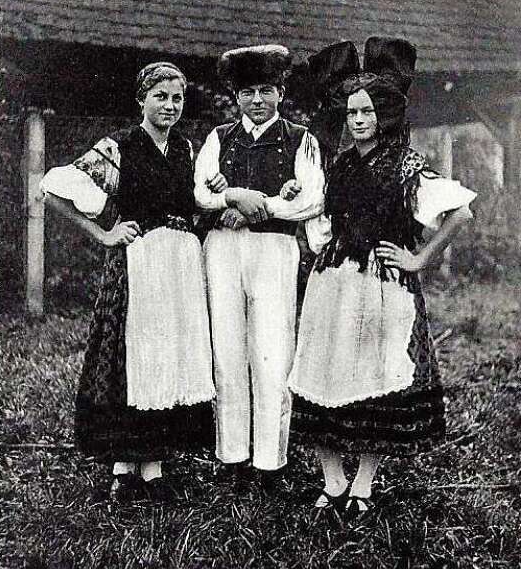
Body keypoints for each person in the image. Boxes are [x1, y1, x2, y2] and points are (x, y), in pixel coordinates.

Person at [288, 37, 475, 514]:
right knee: (322, 376)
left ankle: (363, 485)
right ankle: (332, 481)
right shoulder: (340, 164)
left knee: (375, 382)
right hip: (333, 284)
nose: (358, 120)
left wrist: (420, 257)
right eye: (352, 112)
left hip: (382, 288)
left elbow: (460, 212)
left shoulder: (407, 166)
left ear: (386, 114)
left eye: (367, 112)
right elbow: (319, 217)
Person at [41, 62, 218, 502]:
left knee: (166, 359)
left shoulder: (185, 150)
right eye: (161, 96)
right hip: (136, 264)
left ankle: (154, 466)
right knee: (129, 360)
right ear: (142, 99)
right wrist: (104, 233)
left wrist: (216, 190)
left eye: (177, 98)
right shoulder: (117, 147)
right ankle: (123, 468)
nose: (170, 106)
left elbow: (197, 205)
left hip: (178, 265)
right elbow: (53, 192)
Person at [193, 44, 325, 480]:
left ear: (281, 93)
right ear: (236, 96)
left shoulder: (300, 139)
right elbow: (201, 193)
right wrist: (232, 197)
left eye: (266, 90)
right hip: (223, 247)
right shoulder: (219, 137)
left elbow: (310, 198)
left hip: (273, 249)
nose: (257, 101)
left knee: (271, 350)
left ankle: (270, 459)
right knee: (227, 349)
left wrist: (259, 206)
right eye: (248, 92)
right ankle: (231, 455)